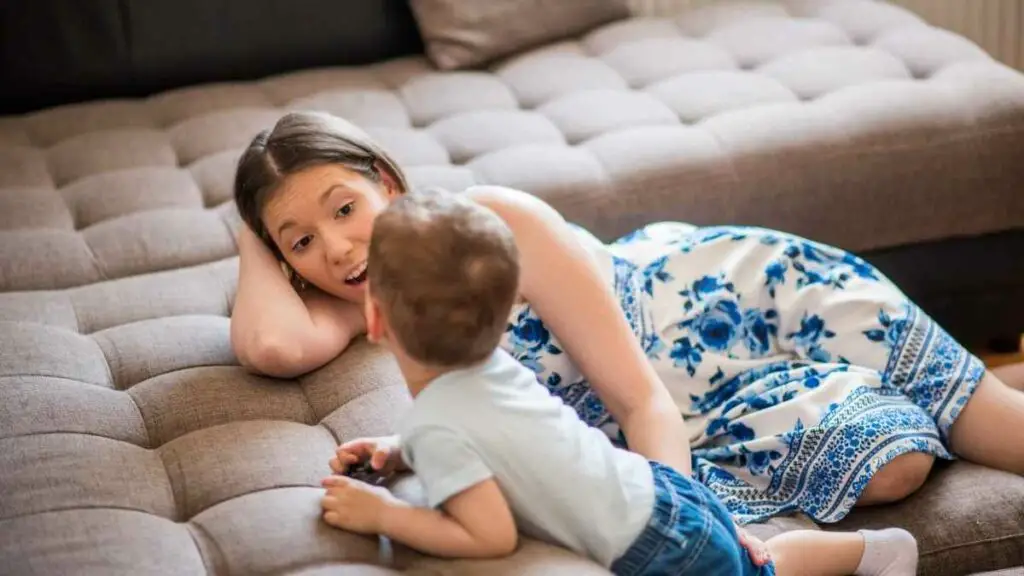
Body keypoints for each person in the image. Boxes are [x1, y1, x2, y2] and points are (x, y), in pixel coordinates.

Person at [230, 110, 1024, 529]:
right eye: (301, 242)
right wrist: (253, 238)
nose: (336, 248)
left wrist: (678, 528)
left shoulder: (490, 223)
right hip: (702, 408)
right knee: (892, 466)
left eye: (346, 208)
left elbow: (639, 400)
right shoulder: (360, 296)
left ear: (387, 183)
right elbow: (270, 343)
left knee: (1002, 433)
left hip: (749, 303)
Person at [316, 188, 919, 576]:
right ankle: (871, 552)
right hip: (653, 483)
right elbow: (492, 432)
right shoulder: (492, 368)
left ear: (373, 320)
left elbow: (489, 535)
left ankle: (875, 554)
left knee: (760, 570)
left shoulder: (436, 420)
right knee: (750, 560)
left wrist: (383, 517)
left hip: (655, 539)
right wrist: (401, 452)